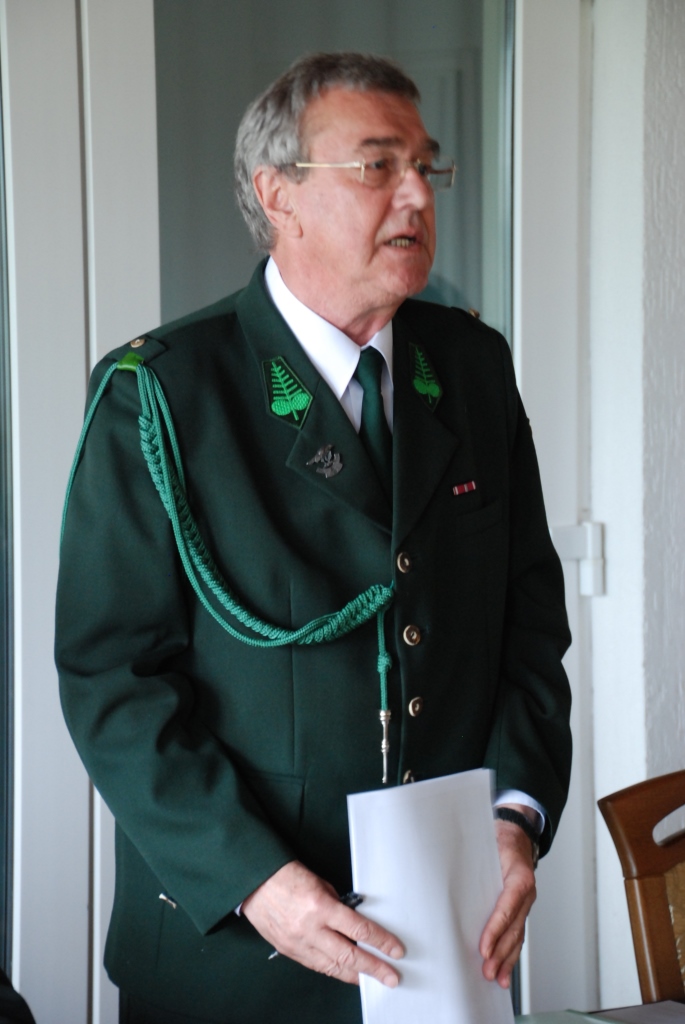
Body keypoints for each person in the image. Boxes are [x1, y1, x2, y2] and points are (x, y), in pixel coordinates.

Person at [56, 52, 572, 1024]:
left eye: (425, 165)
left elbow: (527, 631)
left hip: (446, 937)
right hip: (234, 955)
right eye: (378, 165)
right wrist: (254, 879)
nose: (417, 193)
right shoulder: (163, 394)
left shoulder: (470, 366)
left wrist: (515, 816)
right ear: (277, 194)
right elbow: (112, 679)